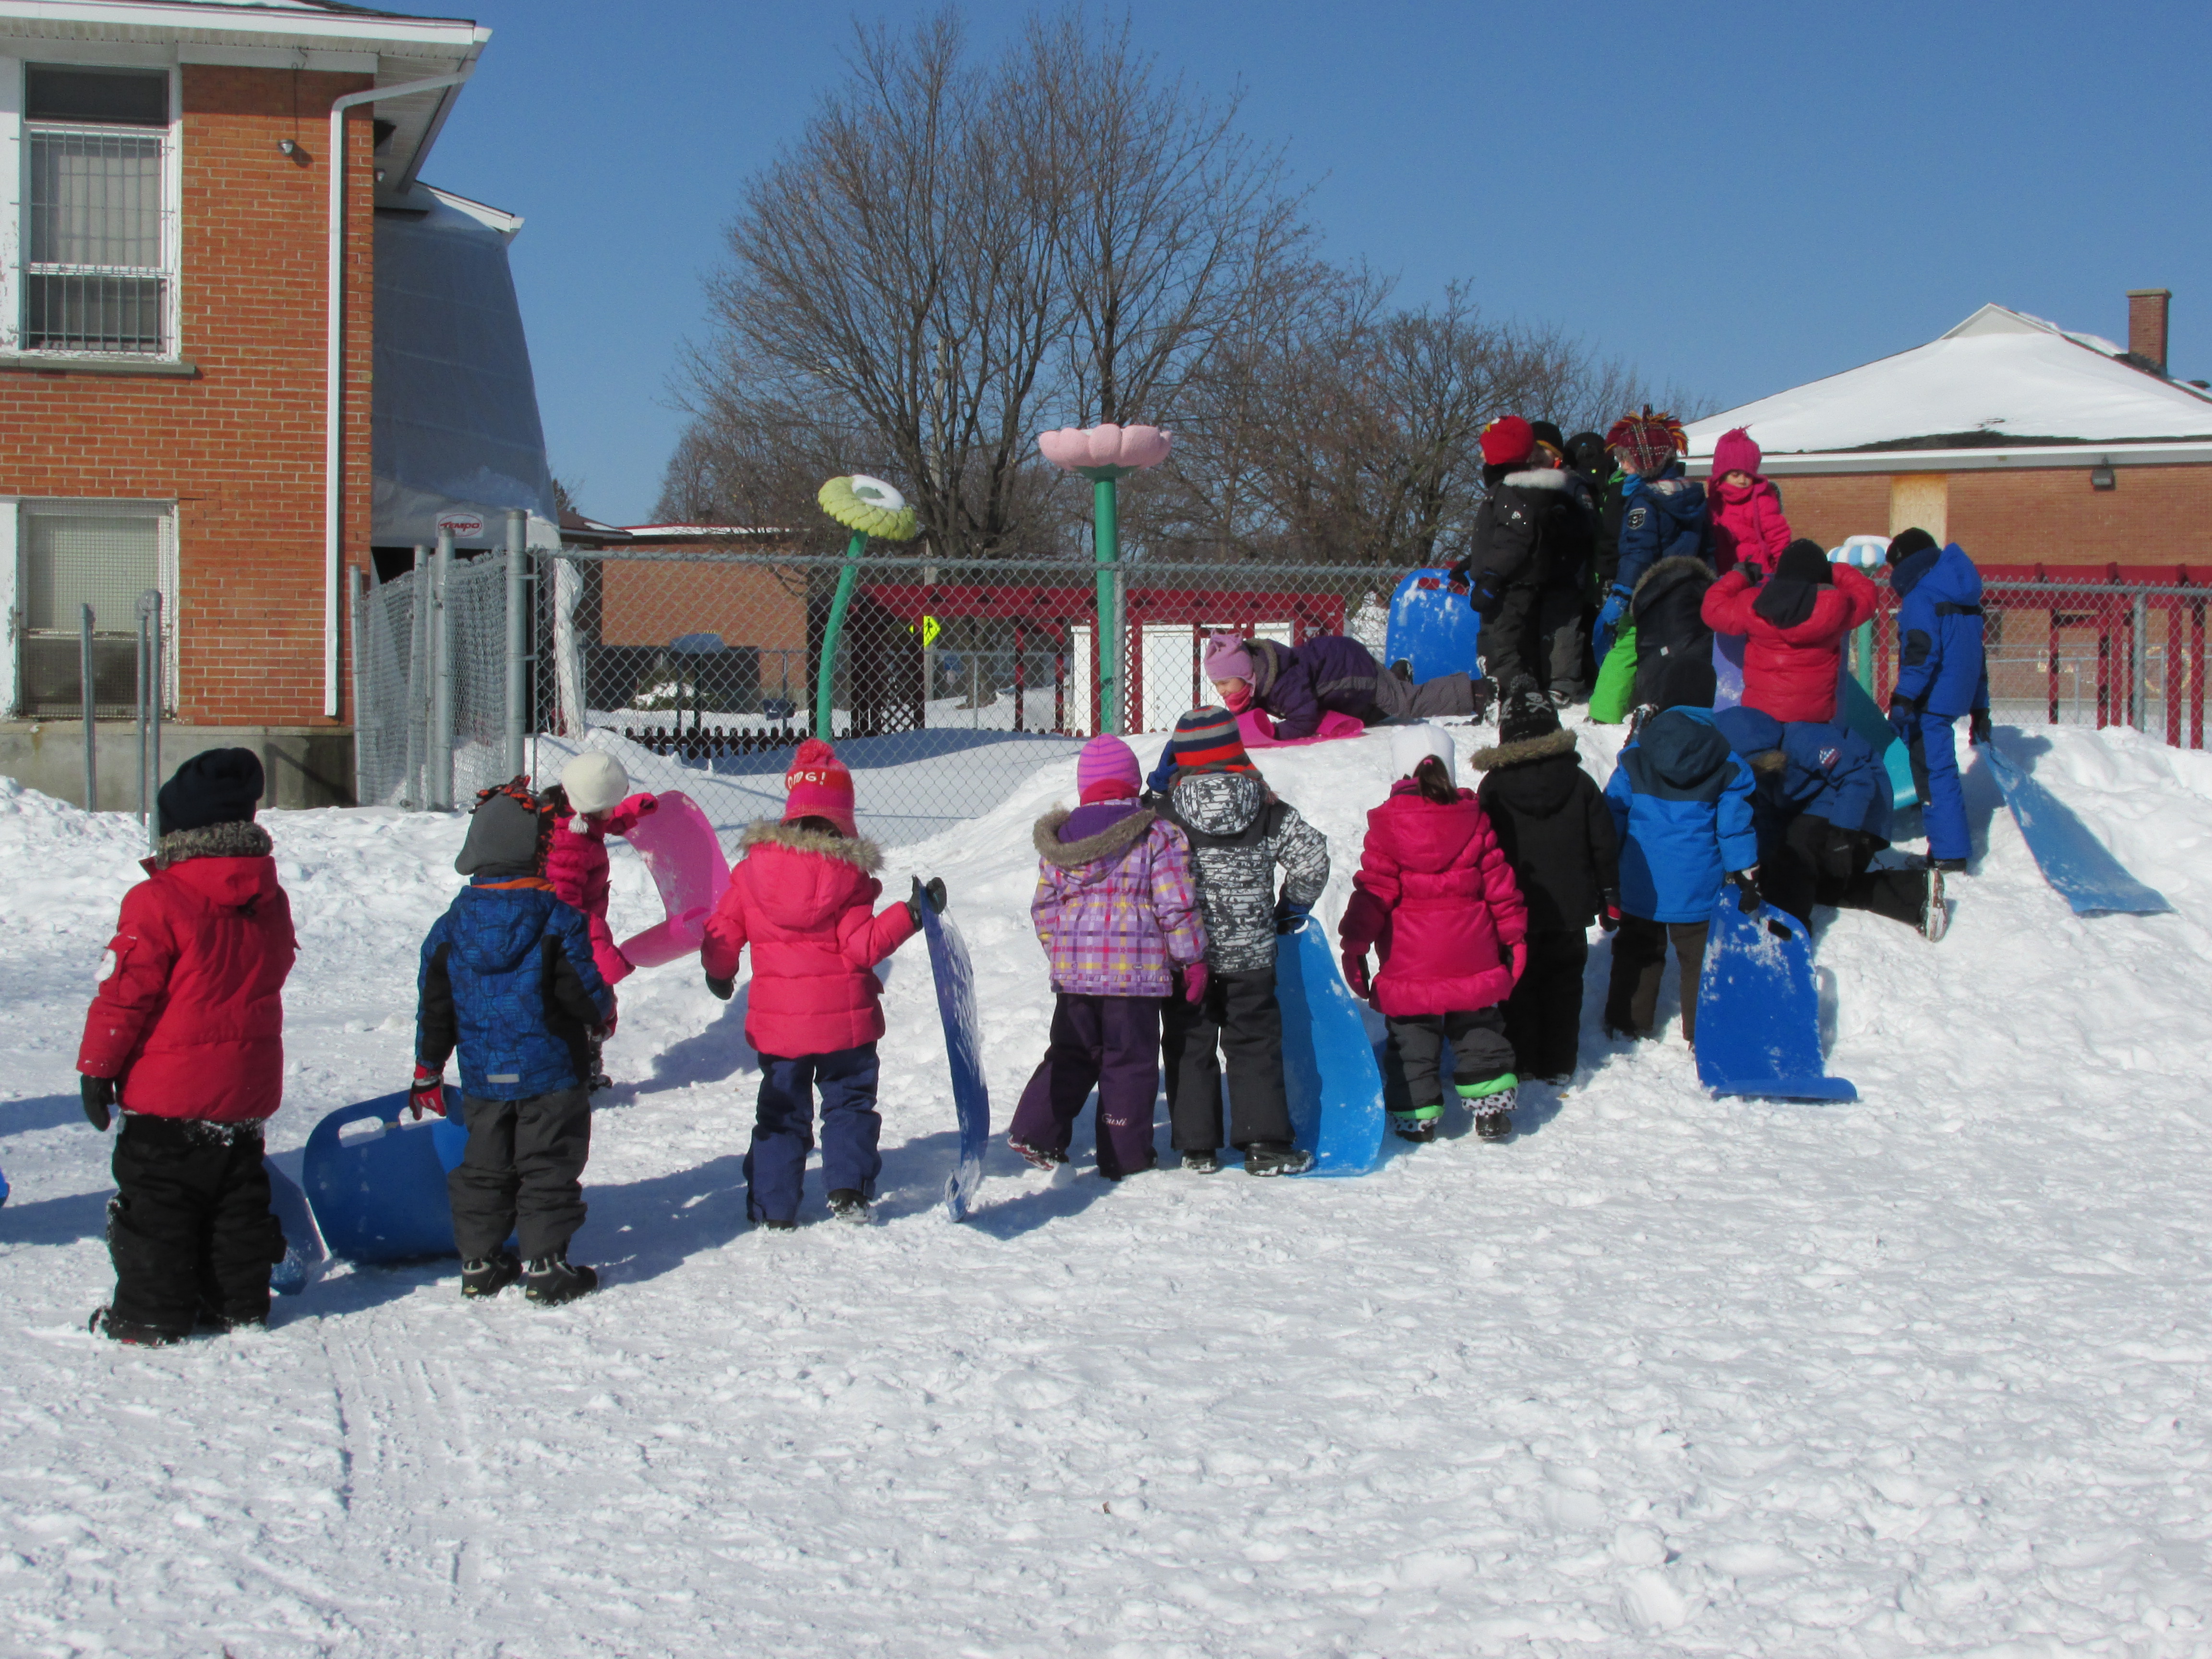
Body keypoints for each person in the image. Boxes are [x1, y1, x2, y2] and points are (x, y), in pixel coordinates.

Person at [77, 749, 298, 1345]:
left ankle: (151, 1313)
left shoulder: (156, 900)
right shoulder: (269, 898)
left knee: (158, 1208)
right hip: (245, 1089)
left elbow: (125, 997)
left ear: (176, 830)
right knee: (236, 1202)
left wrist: (98, 1070)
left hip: (168, 1096)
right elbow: (273, 970)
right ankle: (239, 1303)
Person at [699, 739, 933, 1227]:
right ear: (842, 818)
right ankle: (848, 1190)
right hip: (844, 1028)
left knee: (780, 1113)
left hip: (781, 1032)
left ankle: (774, 1207)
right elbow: (864, 947)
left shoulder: (749, 874)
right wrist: (910, 915)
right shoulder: (848, 876)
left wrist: (720, 975)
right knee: (848, 1102)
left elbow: (723, 938)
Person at [414, 780, 613, 1306]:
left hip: (484, 1076)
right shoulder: (557, 918)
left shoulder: (450, 927)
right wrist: (602, 1017)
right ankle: (545, 1265)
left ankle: (479, 1263)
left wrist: (428, 1068)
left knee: (484, 1164)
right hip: (551, 1072)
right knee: (547, 1162)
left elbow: (435, 1006)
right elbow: (582, 988)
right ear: (534, 851)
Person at [1009, 734, 1206, 1179]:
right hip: (1133, 979)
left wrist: (1063, 955)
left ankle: (1036, 1130)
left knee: (1071, 1051)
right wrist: (1191, 959)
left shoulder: (1061, 842)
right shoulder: (1158, 834)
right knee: (1128, 1061)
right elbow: (1174, 903)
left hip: (1076, 979)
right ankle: (1123, 1151)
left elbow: (1044, 908)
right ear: (1133, 784)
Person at [1151, 709, 1328, 1176]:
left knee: (1190, 1041)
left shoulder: (1163, 815)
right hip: (1252, 956)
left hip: (1186, 958)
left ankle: (1197, 1146)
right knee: (1254, 1042)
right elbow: (1312, 860)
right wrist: (1290, 909)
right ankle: (1265, 1141)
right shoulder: (1268, 809)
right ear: (1236, 751)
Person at [1338, 724, 1527, 1142]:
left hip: (1412, 961)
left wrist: (1355, 946)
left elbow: (1373, 894)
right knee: (1479, 1028)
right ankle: (1491, 1109)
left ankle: (1416, 1115)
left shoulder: (1389, 826)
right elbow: (1501, 887)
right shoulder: (1474, 819)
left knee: (1412, 1037)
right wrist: (1514, 938)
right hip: (1472, 955)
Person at [1473, 689, 1620, 1084]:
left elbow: (1483, 847)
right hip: (1570, 907)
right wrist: (1610, 894)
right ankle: (1558, 1063)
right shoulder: (1579, 781)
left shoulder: (1493, 787)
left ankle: (1521, 1059)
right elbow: (1604, 842)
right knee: (1565, 983)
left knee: (1518, 982)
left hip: (1514, 907)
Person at [1713, 706, 1947, 940]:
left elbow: (1857, 778)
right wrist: (1764, 866)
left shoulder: (1804, 739)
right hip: (1818, 817)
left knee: (1796, 855)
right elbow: (1770, 820)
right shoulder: (1759, 777)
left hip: (1859, 816)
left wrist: (1842, 834)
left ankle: (1785, 936)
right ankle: (1917, 894)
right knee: (1806, 883)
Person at [1602, 706, 1759, 1046]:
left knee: (1637, 950)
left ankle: (1626, 1020)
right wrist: (1745, 872)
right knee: (1698, 958)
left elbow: (1612, 814)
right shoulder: (1728, 766)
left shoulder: (1635, 758)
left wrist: (1604, 865)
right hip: (1697, 884)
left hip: (1641, 878)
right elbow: (1733, 829)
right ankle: (1702, 1031)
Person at [1455, 415, 1595, 704]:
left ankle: (1519, 699)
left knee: (1501, 644)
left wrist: (1492, 575)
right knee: (1499, 642)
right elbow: (1501, 538)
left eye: (1486, 448)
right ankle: (1507, 695)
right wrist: (1474, 562)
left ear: (1500, 454)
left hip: (1509, 584)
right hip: (1505, 579)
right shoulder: (1507, 490)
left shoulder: (1512, 492)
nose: (1481, 454)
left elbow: (1516, 540)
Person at [543, 750, 658, 1092]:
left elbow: (599, 820)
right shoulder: (570, 844)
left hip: (573, 930)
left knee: (587, 997)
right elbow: (566, 912)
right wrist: (601, 951)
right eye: (613, 802)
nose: (614, 809)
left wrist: (627, 814)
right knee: (588, 997)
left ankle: (581, 1069)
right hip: (563, 939)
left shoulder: (571, 814)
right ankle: (575, 1079)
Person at [1885, 529, 1991, 873]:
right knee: (1931, 765)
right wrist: (1980, 708)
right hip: (1956, 692)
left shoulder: (1921, 595)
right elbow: (1977, 657)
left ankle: (1948, 853)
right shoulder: (1964, 593)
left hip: (1930, 697)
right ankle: (1933, 829)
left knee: (1935, 772)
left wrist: (1904, 697)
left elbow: (1921, 652)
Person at [1700, 538, 1880, 723]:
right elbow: (1867, 593)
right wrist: (1833, 570)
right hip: (1815, 719)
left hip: (1761, 717)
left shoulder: (1754, 604)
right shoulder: (1836, 607)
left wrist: (1741, 576)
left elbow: (1713, 608)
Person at [1201, 629, 1483, 737]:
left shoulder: (1284, 682)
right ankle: (1396, 675)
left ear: (1246, 672)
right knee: (1361, 720)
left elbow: (1304, 719)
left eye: (1226, 682)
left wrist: (1276, 735)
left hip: (1352, 668)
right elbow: (1245, 718)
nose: (1223, 691)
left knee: (1404, 703)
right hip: (1340, 688)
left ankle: (1475, 693)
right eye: (1218, 686)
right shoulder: (1256, 682)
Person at [1594, 409, 1710, 661]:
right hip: (1689, 591)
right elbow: (1708, 547)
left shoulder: (1645, 500)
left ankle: (1607, 702)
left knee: (1625, 653)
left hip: (1650, 591)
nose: (1622, 466)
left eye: (1627, 459)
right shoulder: (1692, 495)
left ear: (1647, 462)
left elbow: (1639, 550)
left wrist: (1622, 592)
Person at [1706, 427, 1793, 577]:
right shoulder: (1714, 504)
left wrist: (1784, 572)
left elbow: (1779, 539)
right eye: (1736, 475)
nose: (1742, 480)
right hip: (1723, 574)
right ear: (1722, 475)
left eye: (1748, 475)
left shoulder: (1762, 501)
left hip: (1759, 576)